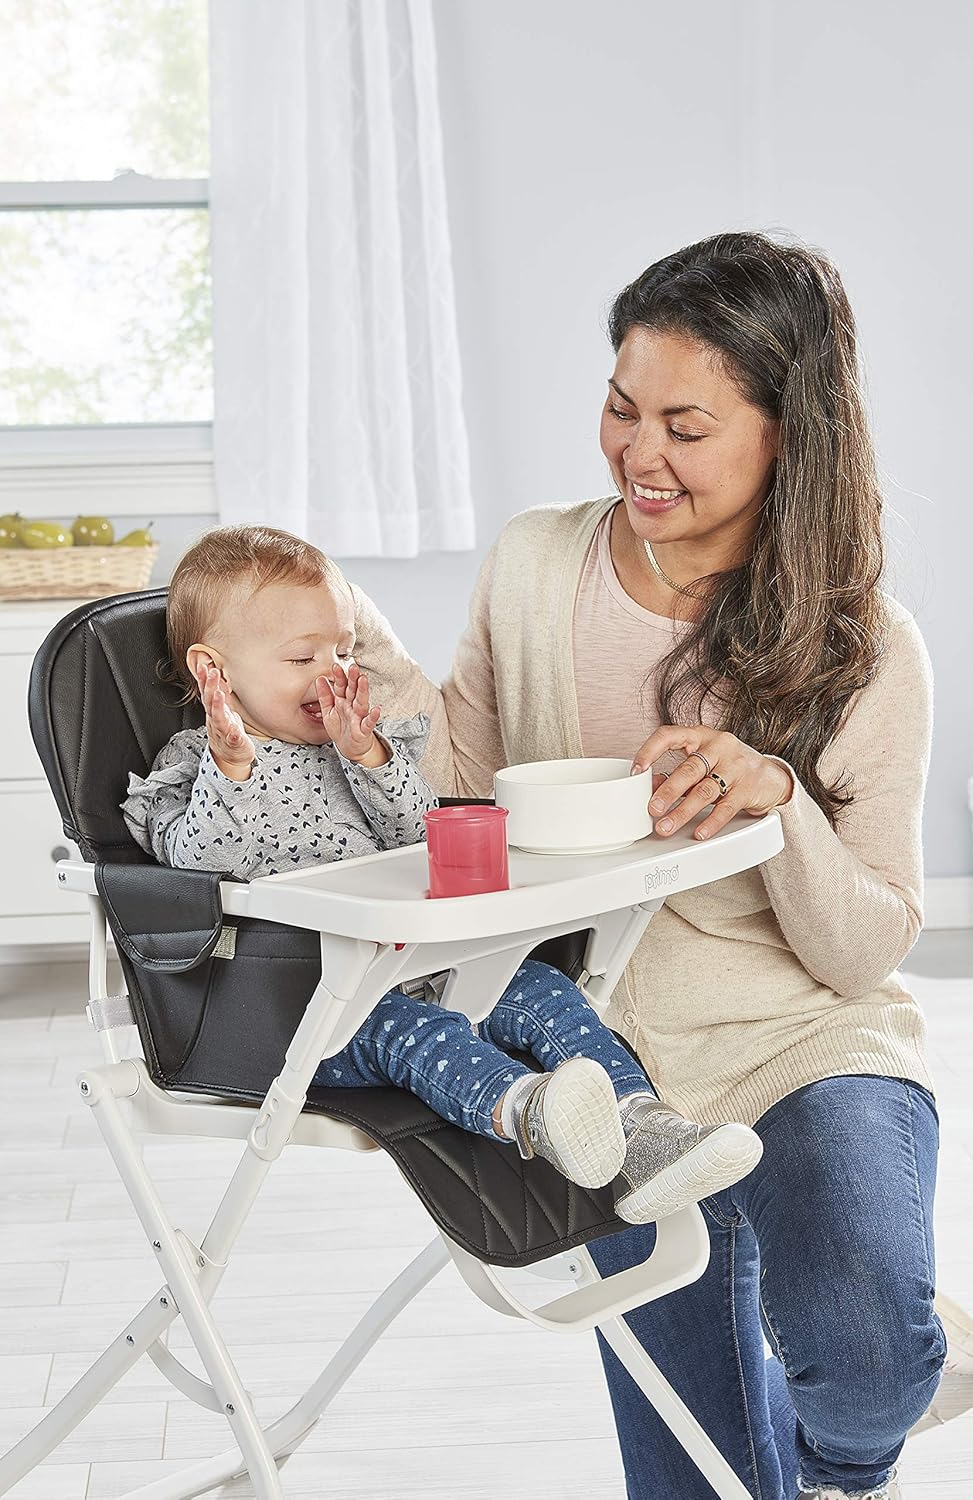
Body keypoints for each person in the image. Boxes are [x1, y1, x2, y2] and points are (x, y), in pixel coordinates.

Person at [350, 231, 973, 1500]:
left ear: (785, 433)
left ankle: (853, 1442)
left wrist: (776, 799)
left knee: (863, 1368)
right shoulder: (534, 563)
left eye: (685, 426)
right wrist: (370, 708)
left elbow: (863, 949)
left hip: (792, 1038)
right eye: (621, 409)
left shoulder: (866, 649)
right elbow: (457, 796)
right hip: (602, 1083)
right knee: (690, 1487)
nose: (640, 452)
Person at [120, 524, 763, 1225]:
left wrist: (368, 757)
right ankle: (532, 1112)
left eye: (341, 650)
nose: (331, 670)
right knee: (412, 1029)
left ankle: (646, 1132)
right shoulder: (193, 768)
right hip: (305, 1009)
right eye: (302, 656)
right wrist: (232, 766)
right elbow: (201, 865)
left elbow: (414, 836)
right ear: (213, 671)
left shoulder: (347, 749)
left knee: (540, 988)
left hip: (420, 967)